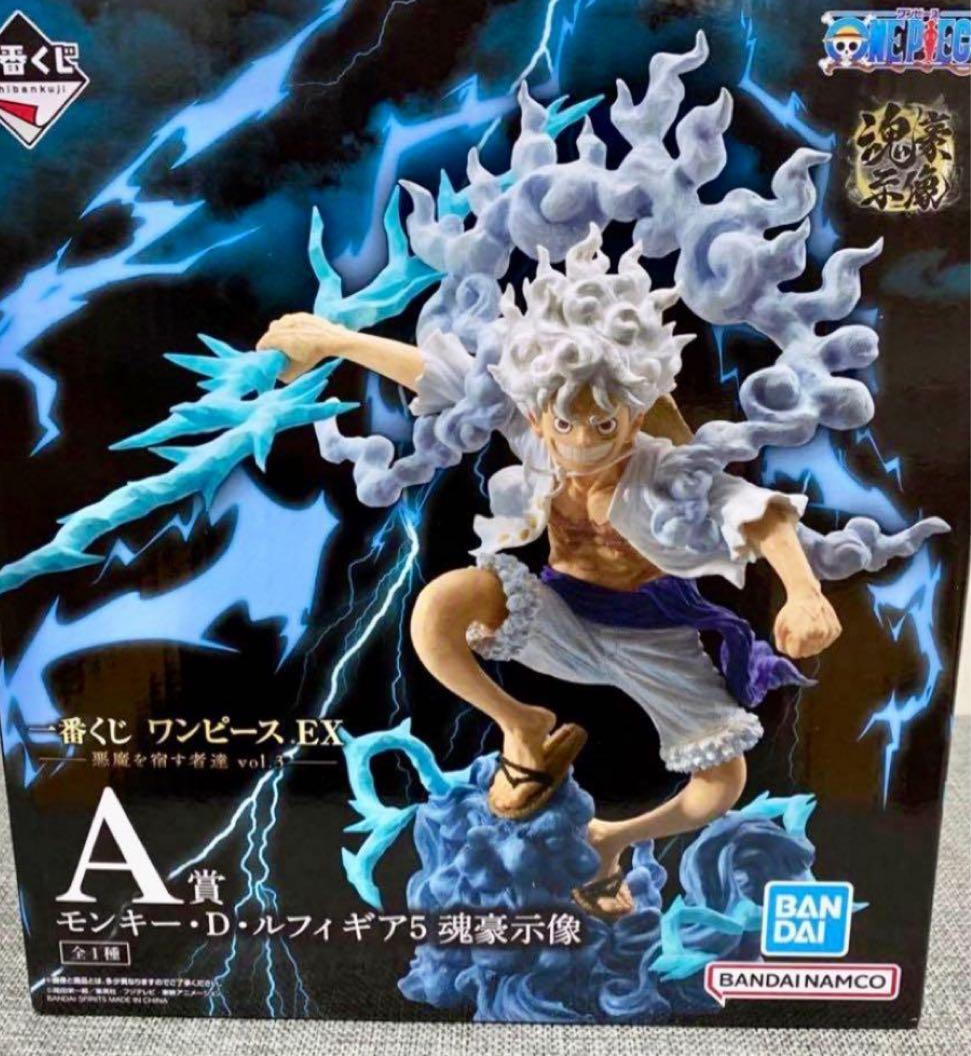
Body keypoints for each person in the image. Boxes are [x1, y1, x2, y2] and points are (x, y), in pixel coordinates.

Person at [257, 231, 841, 919]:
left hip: (654, 634)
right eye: (567, 423)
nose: (584, 442)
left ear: (634, 412)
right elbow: (442, 379)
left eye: (605, 425)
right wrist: (334, 339)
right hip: (560, 614)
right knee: (439, 608)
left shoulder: (667, 469)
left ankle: (610, 842)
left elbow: (756, 511)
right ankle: (523, 726)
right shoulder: (535, 430)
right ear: (539, 414)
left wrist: (805, 592)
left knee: (721, 783)